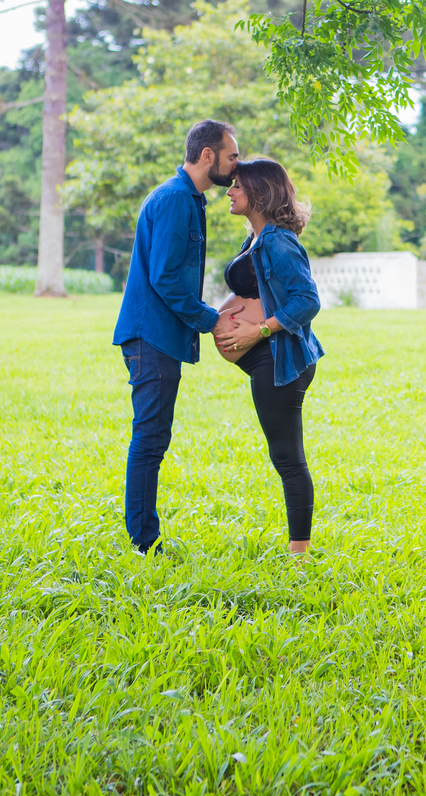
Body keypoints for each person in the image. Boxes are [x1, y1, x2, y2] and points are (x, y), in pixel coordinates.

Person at [113, 119, 243, 555]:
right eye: (231, 156)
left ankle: (143, 537)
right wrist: (211, 320)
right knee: (150, 438)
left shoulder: (189, 199)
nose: (236, 165)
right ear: (208, 155)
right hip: (151, 335)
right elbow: (166, 277)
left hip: (160, 335)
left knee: (154, 437)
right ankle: (143, 543)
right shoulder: (174, 199)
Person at [214, 158, 324, 554]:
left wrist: (257, 330)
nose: (230, 192)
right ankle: (299, 549)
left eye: (237, 186)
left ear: (259, 192)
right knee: (284, 456)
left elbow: (307, 300)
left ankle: (300, 555)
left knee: (288, 458)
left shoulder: (278, 240)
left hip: (280, 360)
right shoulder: (257, 238)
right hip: (265, 357)